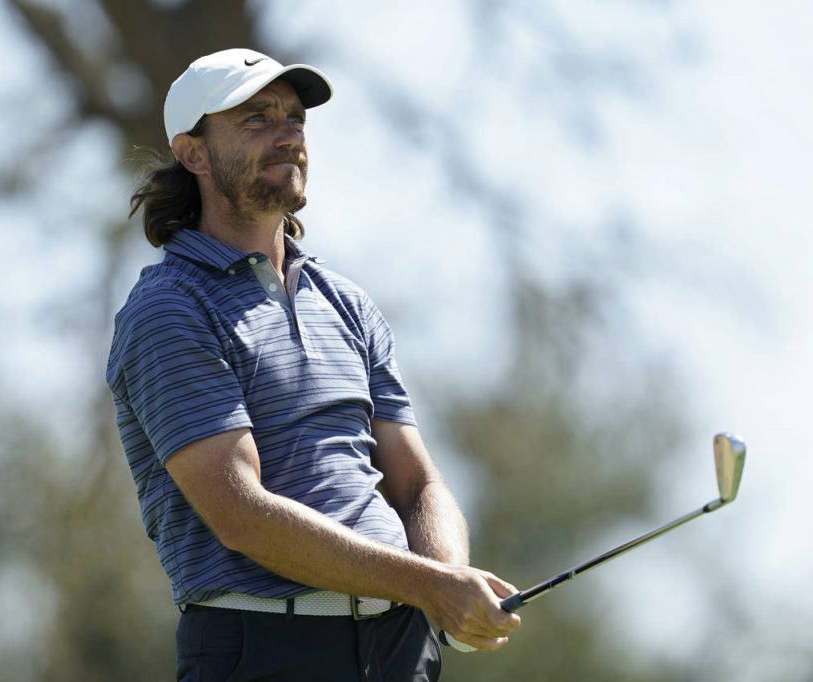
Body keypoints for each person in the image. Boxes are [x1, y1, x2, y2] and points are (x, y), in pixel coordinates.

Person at [106, 48, 521, 681]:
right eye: (256, 118)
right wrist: (432, 585)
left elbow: (417, 483)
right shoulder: (170, 307)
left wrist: (450, 584)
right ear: (192, 154)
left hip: (400, 646)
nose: (287, 135)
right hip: (267, 649)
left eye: (295, 117)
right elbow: (243, 516)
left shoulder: (345, 302)